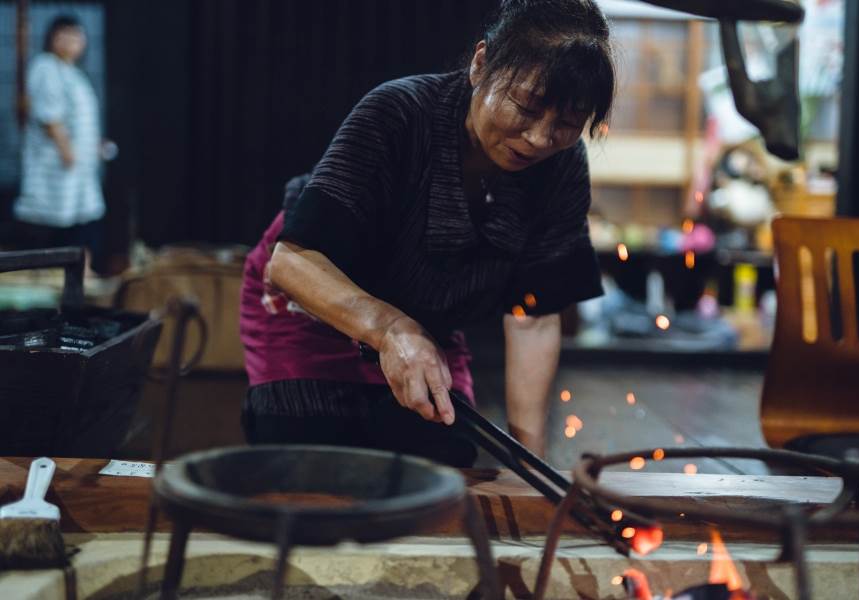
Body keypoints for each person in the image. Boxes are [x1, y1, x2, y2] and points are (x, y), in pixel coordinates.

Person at [239, 0, 615, 467]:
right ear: (481, 64)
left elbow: (533, 318)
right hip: (312, 298)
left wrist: (527, 463)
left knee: (443, 461)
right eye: (526, 107)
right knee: (310, 457)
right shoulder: (399, 111)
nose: (540, 138)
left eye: (566, 123)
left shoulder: (561, 167)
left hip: (425, 320)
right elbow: (291, 262)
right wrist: (390, 330)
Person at [14, 15, 105, 272]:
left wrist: (93, 145)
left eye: (76, 35)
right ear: (51, 39)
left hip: (80, 171)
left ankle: (82, 275)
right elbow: (49, 116)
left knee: (82, 223)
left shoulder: (74, 73)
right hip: (55, 167)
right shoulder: (45, 67)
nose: (70, 41)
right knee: (52, 225)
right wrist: (67, 150)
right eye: (63, 35)